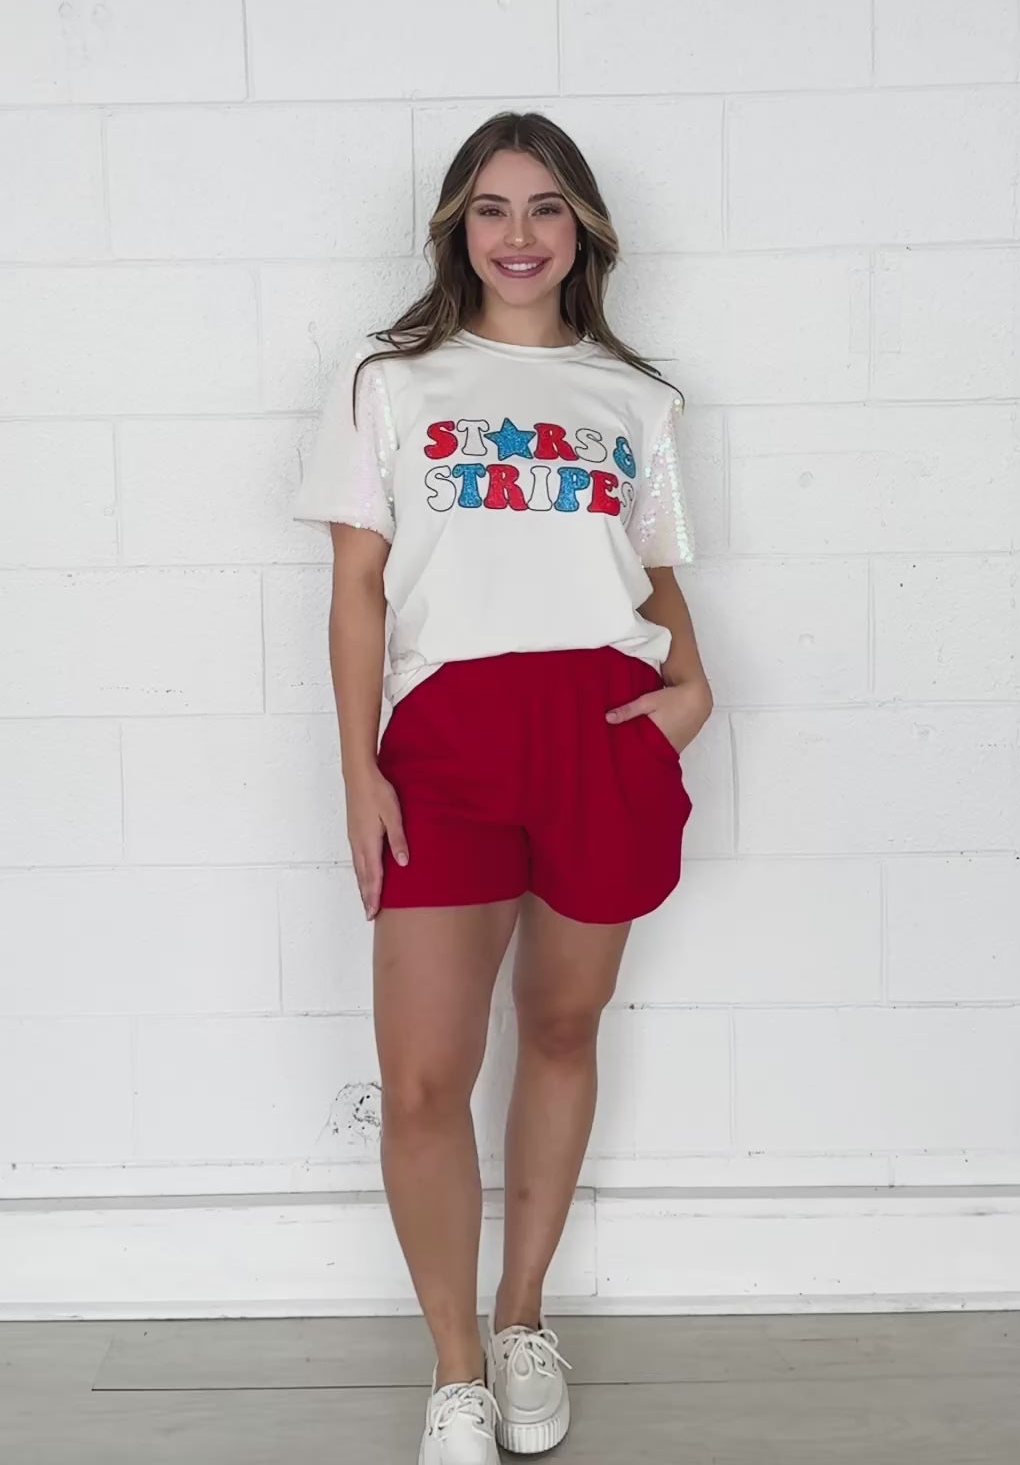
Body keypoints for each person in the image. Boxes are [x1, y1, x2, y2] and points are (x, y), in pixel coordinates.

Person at [293, 110, 714, 1465]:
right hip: (448, 742)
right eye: (491, 207)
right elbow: (358, 589)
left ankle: (525, 1320)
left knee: (562, 1028)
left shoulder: (636, 400)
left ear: (583, 229)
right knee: (423, 1076)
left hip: (600, 729)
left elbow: (654, 572)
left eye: (544, 208)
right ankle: (457, 1371)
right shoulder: (390, 382)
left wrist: (692, 689)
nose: (518, 235)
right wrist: (357, 768)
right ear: (455, 229)